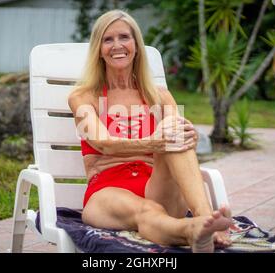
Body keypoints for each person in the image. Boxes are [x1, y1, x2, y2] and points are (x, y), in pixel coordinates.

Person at [68, 9, 232, 252]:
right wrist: (155, 143)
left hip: (156, 186)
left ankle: (204, 217)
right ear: (98, 50)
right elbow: (103, 143)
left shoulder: (160, 96)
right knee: (148, 210)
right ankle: (194, 231)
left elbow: (179, 147)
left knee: (176, 134)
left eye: (124, 37)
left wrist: (190, 138)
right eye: (108, 39)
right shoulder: (82, 97)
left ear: (136, 45)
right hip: (107, 192)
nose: (117, 45)